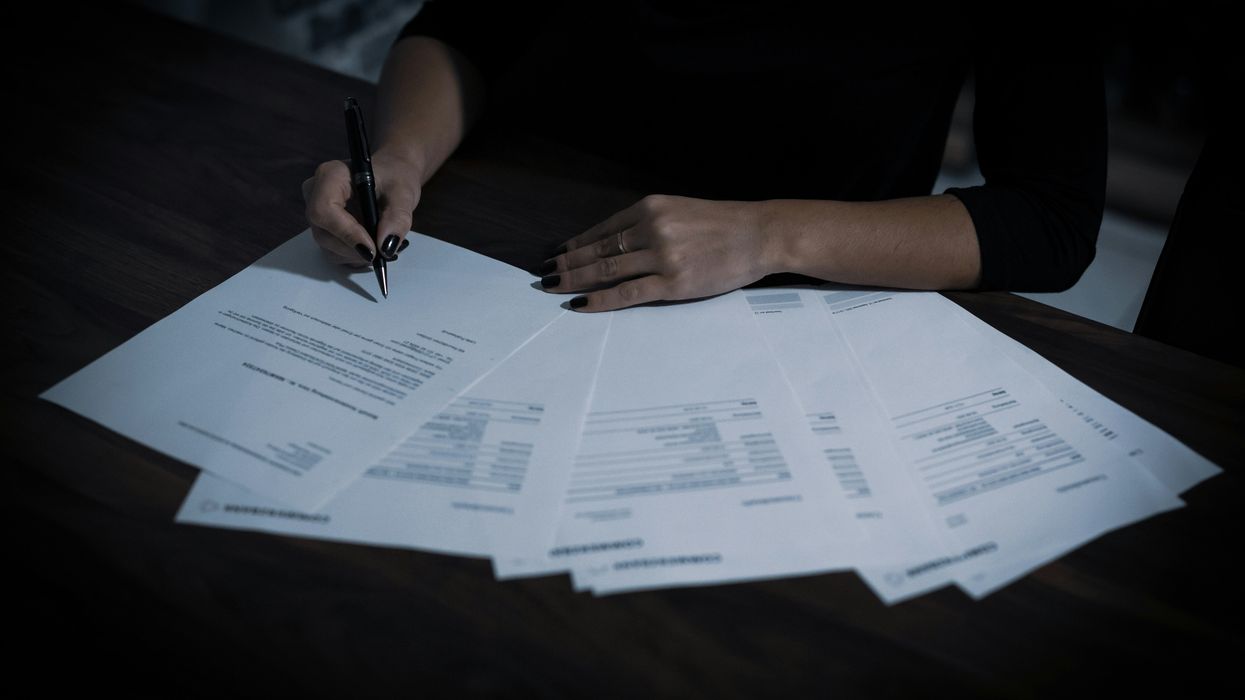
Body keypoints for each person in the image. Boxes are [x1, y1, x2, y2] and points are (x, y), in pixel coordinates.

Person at [303, 1, 1107, 312]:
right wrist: (401, 156)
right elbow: (466, 25)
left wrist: (769, 235)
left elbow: (1051, 218)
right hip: (515, 230)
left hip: (808, 290)